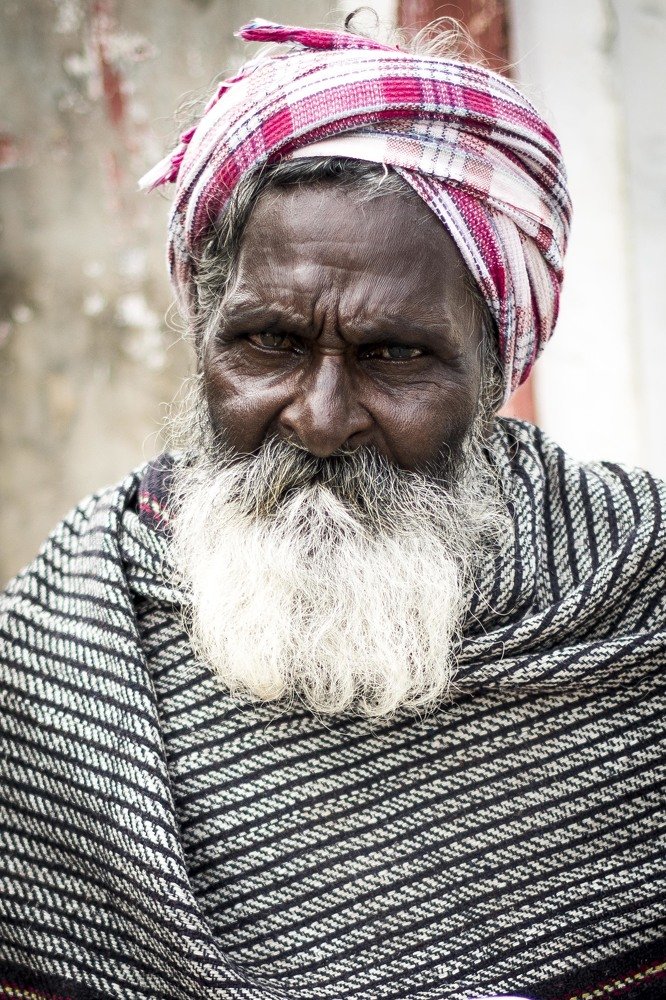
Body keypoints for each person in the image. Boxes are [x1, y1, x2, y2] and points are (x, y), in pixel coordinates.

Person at [0, 15, 663, 1000]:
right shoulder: (65, 642)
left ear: (494, 370)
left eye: (396, 354)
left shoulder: (635, 602)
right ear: (204, 341)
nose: (317, 419)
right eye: (266, 341)